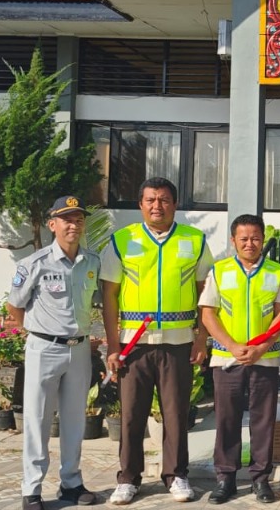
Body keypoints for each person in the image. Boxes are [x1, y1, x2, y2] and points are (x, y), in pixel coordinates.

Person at [102, 178, 213, 506]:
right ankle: (128, 478)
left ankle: (176, 475)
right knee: (131, 415)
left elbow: (206, 293)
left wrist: (201, 338)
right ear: (140, 204)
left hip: (179, 343)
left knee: (176, 413)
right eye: (150, 200)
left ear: (175, 204)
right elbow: (108, 296)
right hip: (133, 345)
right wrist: (113, 346)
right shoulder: (122, 240)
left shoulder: (194, 240)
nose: (157, 206)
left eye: (164, 200)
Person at [9, 196, 101, 510]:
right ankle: (31, 489)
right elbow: (14, 305)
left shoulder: (92, 262)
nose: (73, 225)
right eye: (66, 220)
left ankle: (71, 484)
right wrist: (37, 332)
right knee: (37, 420)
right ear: (52, 225)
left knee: (75, 420)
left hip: (79, 350)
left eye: (78, 219)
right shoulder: (34, 264)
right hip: (44, 349)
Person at [199, 214, 280, 505]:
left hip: (264, 360)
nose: (250, 243)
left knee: (263, 421)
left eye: (255, 238)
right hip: (226, 360)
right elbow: (208, 314)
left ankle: (260, 479)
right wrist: (232, 346)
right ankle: (225, 478)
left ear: (263, 240)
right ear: (233, 240)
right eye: (244, 238)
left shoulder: (277, 272)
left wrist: (261, 348)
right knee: (227, 420)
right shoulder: (219, 271)